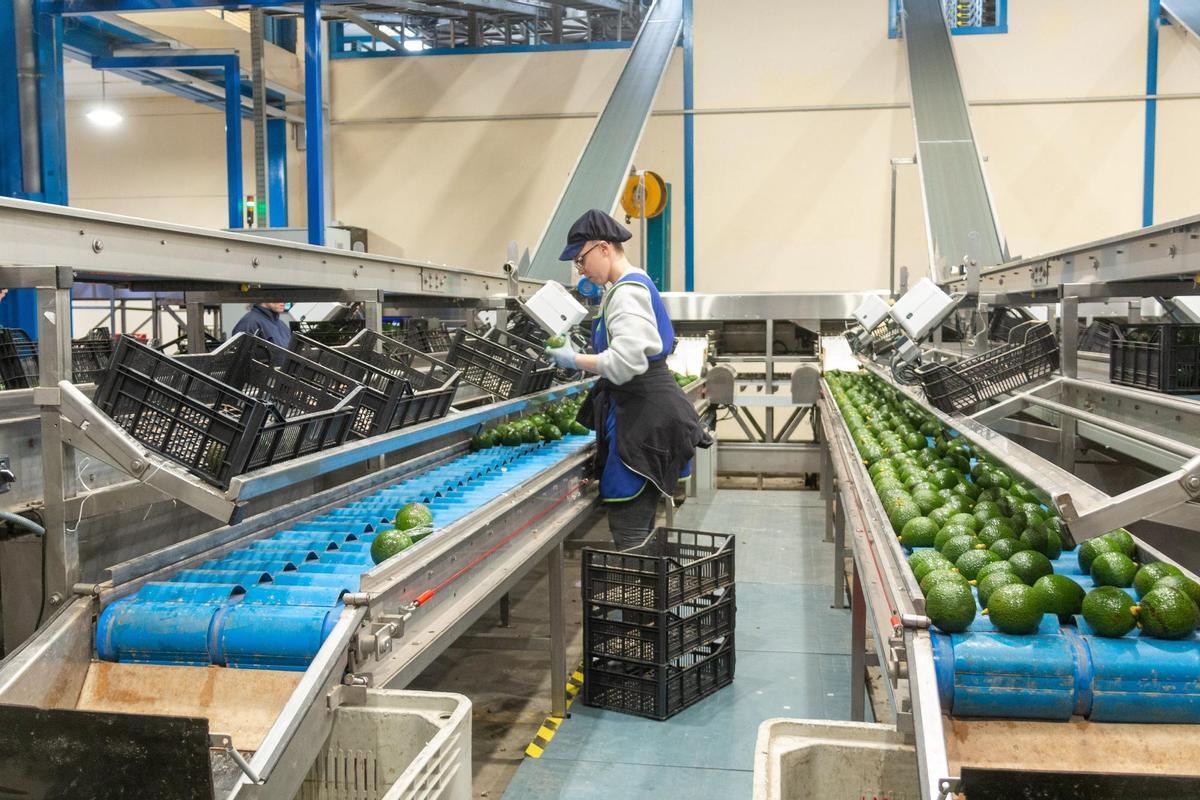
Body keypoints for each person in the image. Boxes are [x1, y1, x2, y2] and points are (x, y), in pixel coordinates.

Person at [547, 209, 711, 551]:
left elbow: (625, 362)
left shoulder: (626, 292)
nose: (581, 270)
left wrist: (574, 358)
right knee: (637, 526)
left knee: (630, 528)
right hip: (643, 411)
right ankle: (643, 596)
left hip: (643, 418)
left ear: (604, 248)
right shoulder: (627, 286)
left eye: (581, 259)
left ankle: (639, 600)